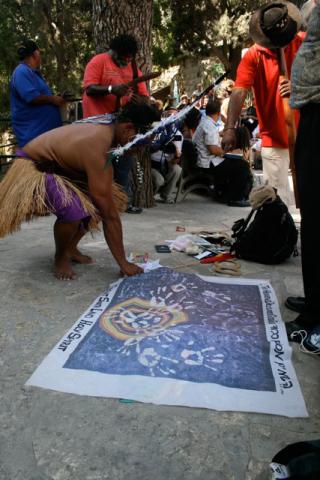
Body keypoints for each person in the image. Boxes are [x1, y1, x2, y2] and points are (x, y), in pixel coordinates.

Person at [0, 103, 158, 280]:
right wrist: (123, 263)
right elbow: (110, 216)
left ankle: (70, 248)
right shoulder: (99, 145)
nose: (140, 149)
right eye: (141, 142)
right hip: (34, 166)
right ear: (128, 128)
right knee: (75, 211)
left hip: (59, 167)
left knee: (103, 203)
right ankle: (60, 257)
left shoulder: (110, 126)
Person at [222, 1, 304, 206]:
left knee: (310, 193)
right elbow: (240, 90)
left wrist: (298, 87)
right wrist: (230, 127)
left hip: (307, 132)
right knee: (275, 200)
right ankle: (282, 236)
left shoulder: (304, 43)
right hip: (273, 137)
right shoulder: (254, 55)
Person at [82, 34, 150, 214]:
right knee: (99, 165)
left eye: (129, 59)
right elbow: (89, 89)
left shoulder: (134, 69)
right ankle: (93, 203)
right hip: (97, 124)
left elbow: (145, 96)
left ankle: (122, 202)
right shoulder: (99, 62)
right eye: (122, 58)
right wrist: (112, 89)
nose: (126, 62)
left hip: (121, 125)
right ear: (113, 51)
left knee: (123, 163)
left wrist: (139, 101)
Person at [284, 0, 320, 340]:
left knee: (316, 221)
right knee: (311, 217)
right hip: (312, 111)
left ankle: (314, 314)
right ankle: (314, 301)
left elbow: (306, 15)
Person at [193, 97, 252, 207]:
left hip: (206, 160)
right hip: (207, 163)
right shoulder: (208, 126)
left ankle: (225, 194)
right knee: (242, 166)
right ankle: (236, 198)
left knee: (235, 162)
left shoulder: (205, 122)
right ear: (219, 113)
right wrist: (225, 153)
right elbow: (214, 150)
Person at [9, 39, 64, 151]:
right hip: (34, 137)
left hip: (44, 137)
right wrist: (52, 99)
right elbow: (32, 98)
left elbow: (38, 95)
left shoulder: (30, 72)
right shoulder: (21, 72)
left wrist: (53, 97)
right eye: (39, 52)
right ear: (35, 54)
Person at [151, 109, 183, 204]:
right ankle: (150, 195)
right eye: (169, 115)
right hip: (151, 163)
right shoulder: (155, 127)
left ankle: (166, 195)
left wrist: (176, 156)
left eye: (175, 116)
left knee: (177, 169)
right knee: (159, 180)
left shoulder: (178, 135)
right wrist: (159, 145)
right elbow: (148, 149)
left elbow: (174, 161)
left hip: (165, 164)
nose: (172, 118)